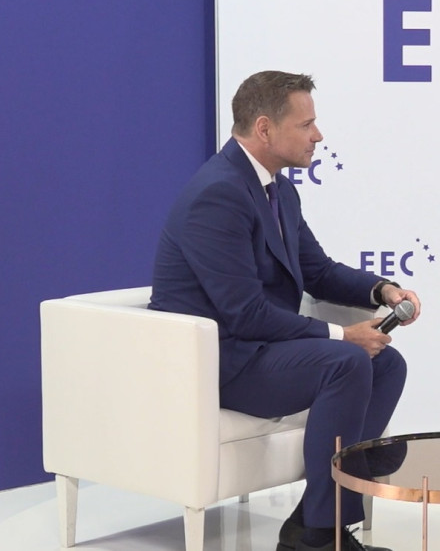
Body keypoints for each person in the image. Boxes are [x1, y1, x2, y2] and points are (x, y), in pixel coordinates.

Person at [149, 70, 420, 551]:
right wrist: (342, 336)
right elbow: (245, 313)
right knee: (347, 361)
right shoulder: (218, 195)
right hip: (222, 362)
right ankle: (325, 525)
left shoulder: (278, 190)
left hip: (260, 350)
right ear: (265, 129)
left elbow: (319, 271)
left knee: (387, 363)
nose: (318, 136)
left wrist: (383, 291)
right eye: (306, 125)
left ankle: (314, 519)